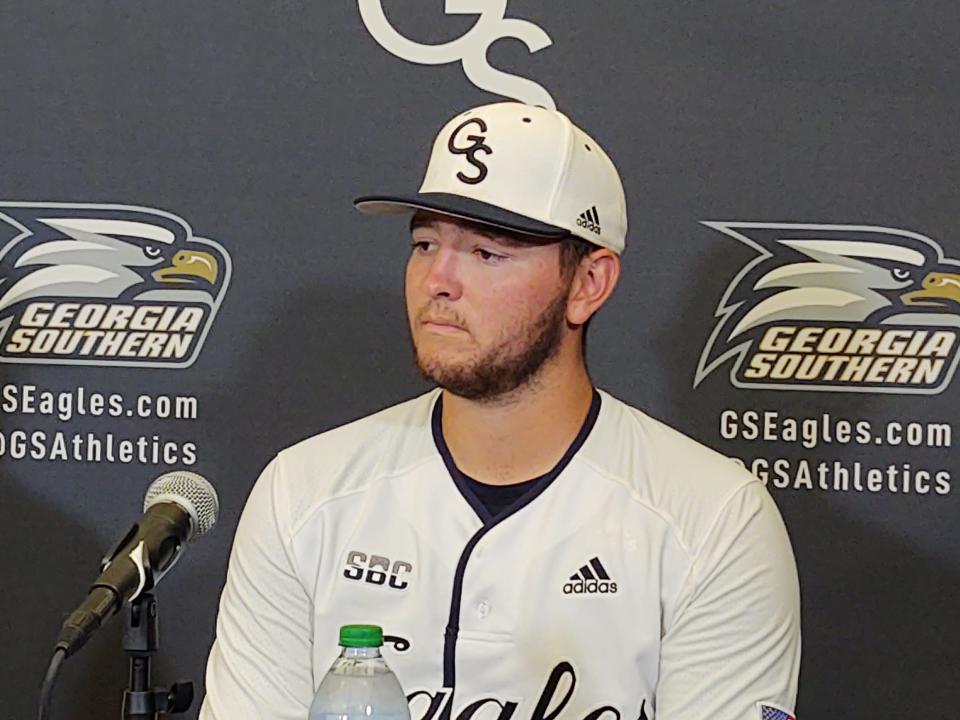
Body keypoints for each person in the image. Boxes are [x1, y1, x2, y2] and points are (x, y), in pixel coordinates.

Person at [199, 101, 801, 720]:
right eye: (426, 243)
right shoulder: (304, 492)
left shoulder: (714, 518)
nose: (438, 279)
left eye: (487, 253)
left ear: (588, 283)